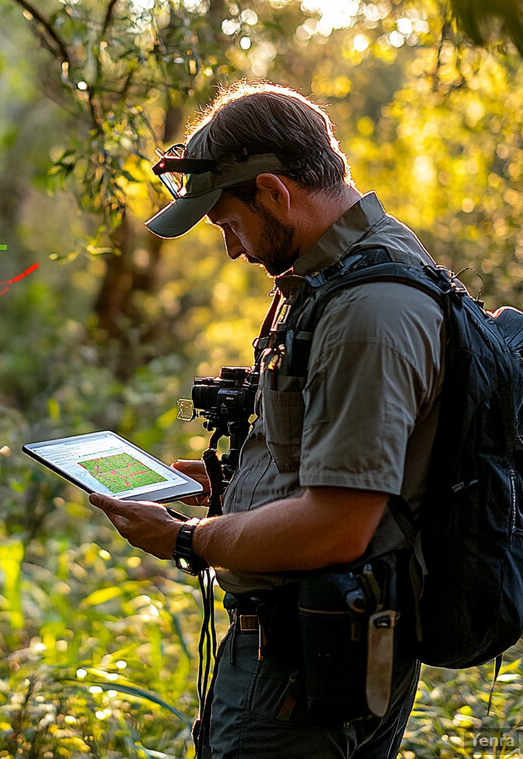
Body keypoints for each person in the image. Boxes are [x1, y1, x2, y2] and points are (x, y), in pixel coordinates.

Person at [89, 80, 445, 759]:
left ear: (275, 194)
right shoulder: (345, 272)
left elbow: (340, 527)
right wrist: (229, 491)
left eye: (228, 224)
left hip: (307, 667)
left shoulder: (368, 310)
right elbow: (346, 471)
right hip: (315, 645)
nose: (232, 249)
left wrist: (189, 540)